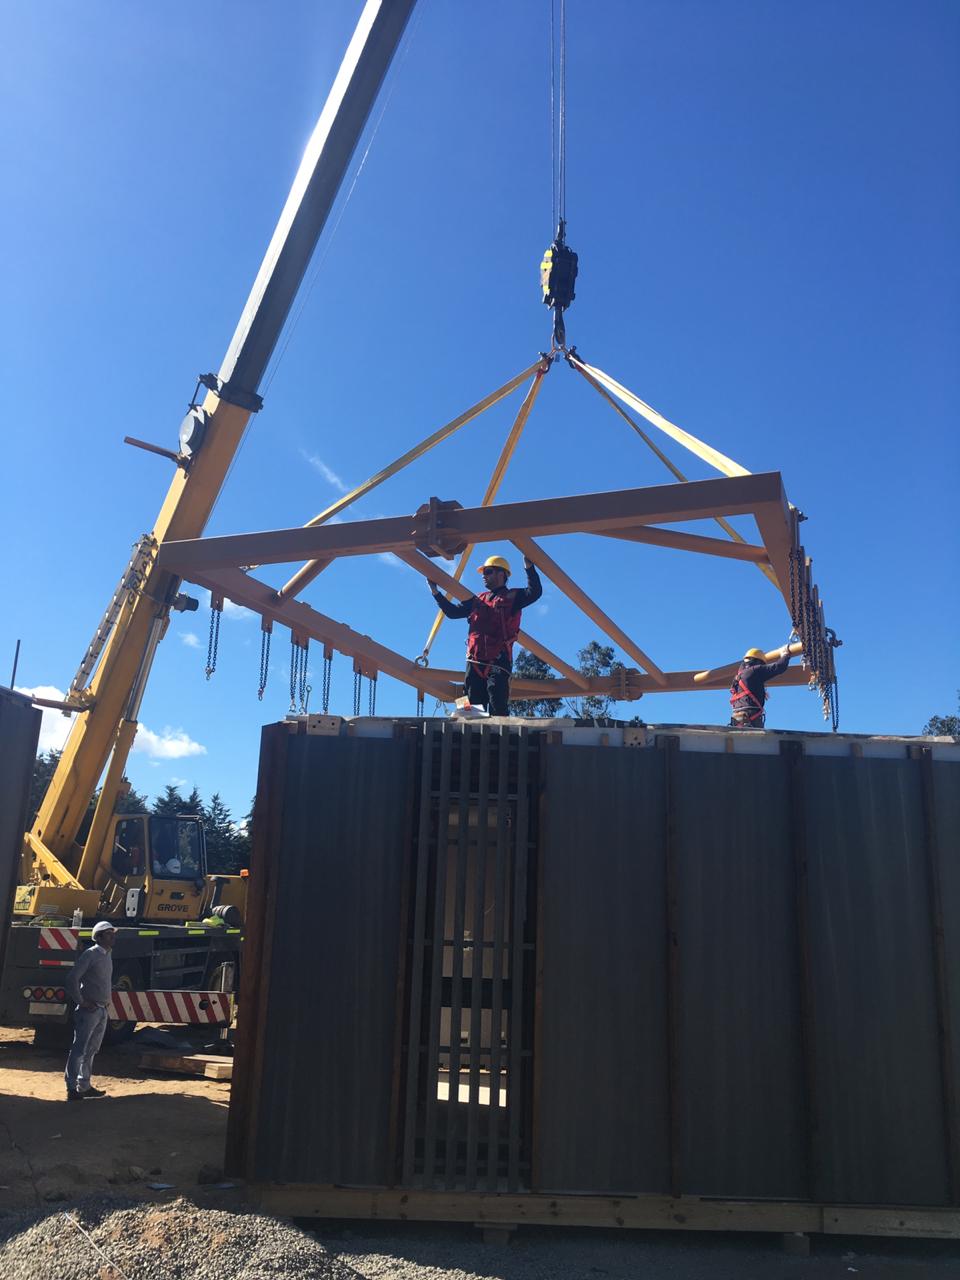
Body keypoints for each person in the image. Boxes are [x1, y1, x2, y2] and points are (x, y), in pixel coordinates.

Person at [427, 554, 542, 716]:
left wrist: (529, 568)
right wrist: (435, 593)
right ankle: (467, 736)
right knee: (469, 706)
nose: (484, 576)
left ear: (502, 574)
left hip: (498, 661)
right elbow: (452, 612)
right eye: (483, 572)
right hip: (474, 660)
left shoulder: (512, 597)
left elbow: (535, 592)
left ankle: (499, 738)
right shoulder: (477, 600)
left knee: (497, 704)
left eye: (488, 572)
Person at [64, 921, 116, 1101]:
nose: (112, 936)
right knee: (79, 1049)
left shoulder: (107, 954)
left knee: (91, 1050)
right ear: (99, 936)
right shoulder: (90, 955)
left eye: (112, 933)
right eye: (108, 934)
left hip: (101, 1010)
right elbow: (72, 979)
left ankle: (84, 1086)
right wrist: (82, 1001)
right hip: (89, 1012)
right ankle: (72, 1088)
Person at [729, 645, 794, 729]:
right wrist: (785, 654)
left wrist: (760, 692)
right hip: (751, 716)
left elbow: (745, 692)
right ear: (758, 662)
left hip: (737, 718)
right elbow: (779, 667)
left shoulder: (738, 677)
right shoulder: (755, 670)